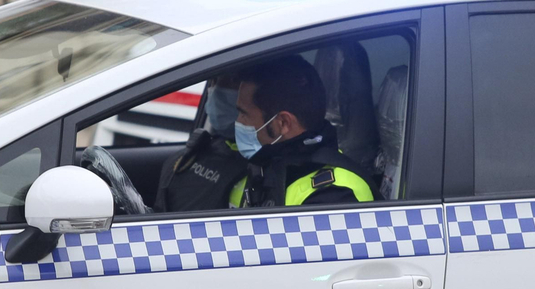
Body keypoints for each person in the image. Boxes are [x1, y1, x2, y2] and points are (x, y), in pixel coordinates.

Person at [228, 55, 375, 208]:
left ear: (283, 123)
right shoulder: (265, 164)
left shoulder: (334, 196)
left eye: (244, 114)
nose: (238, 121)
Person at [153, 75, 250, 213]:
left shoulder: (266, 171)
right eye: (213, 81)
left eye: (233, 80)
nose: (215, 90)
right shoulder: (184, 158)